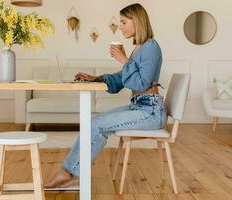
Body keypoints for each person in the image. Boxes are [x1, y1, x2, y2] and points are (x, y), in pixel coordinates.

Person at [45, 3, 167, 188]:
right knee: (93, 122)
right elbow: (121, 79)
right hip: (140, 107)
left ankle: (71, 173)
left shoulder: (151, 46)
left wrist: (125, 60)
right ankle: (70, 171)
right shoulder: (139, 48)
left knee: (97, 124)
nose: (121, 26)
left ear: (137, 21)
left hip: (150, 112)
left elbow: (141, 83)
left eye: (124, 22)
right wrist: (96, 78)